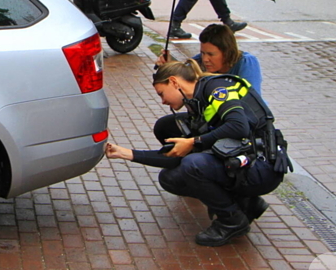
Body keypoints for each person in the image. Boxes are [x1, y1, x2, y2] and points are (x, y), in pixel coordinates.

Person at [105, 58, 290, 247]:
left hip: (262, 168)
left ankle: (232, 221)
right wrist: (127, 154)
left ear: (174, 82)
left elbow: (239, 126)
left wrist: (194, 141)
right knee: (171, 175)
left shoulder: (216, 89)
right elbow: (176, 157)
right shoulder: (198, 101)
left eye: (162, 93)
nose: (162, 101)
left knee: (192, 165)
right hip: (244, 162)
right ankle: (245, 201)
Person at [162, 23, 262, 92]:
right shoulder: (198, 61)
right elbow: (181, 74)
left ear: (226, 52)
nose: (205, 59)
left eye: (211, 54)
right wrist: (168, 66)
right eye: (203, 53)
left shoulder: (246, 62)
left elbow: (251, 99)